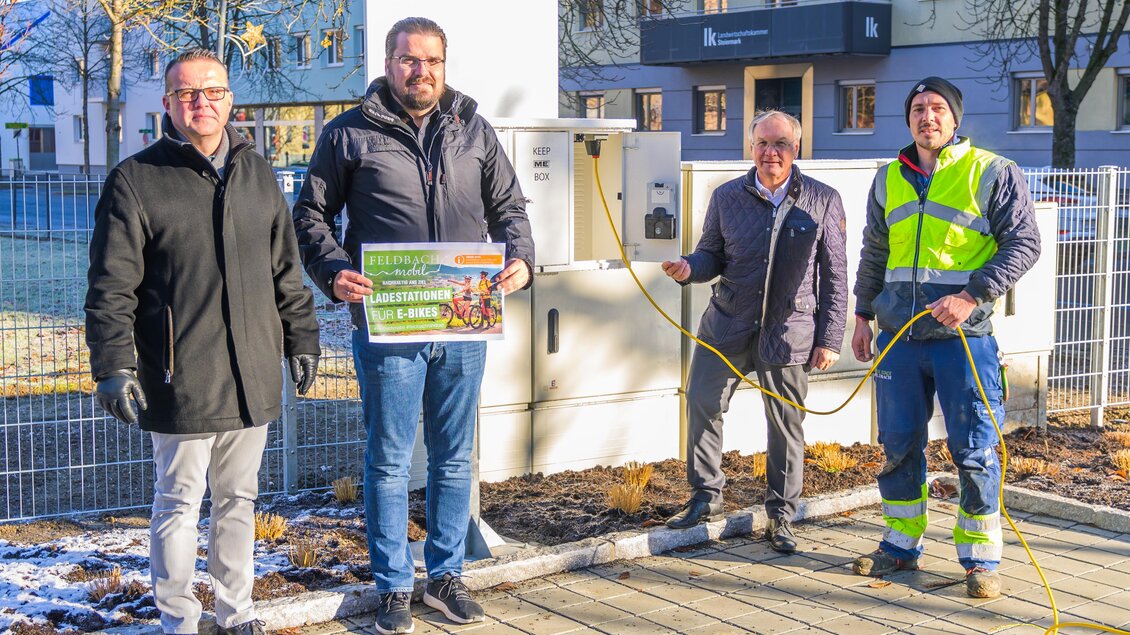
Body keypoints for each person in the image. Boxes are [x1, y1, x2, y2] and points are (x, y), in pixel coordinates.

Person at [292, 17, 534, 635]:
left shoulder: (472, 130)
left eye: (431, 60)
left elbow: (509, 208)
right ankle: (394, 585)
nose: (420, 70)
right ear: (389, 62)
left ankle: (446, 576)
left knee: (454, 458)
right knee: (390, 460)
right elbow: (312, 214)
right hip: (388, 320)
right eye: (408, 60)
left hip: (462, 319)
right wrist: (334, 271)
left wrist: (522, 264)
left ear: (444, 65)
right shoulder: (348, 134)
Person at [84, 48, 321, 635]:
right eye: (187, 93)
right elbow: (112, 287)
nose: (201, 103)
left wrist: (302, 336)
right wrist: (113, 365)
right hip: (179, 373)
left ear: (230, 99)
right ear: (168, 103)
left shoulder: (257, 171)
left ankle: (236, 614)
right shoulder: (136, 180)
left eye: (212, 91)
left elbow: (284, 270)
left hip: (251, 370)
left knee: (239, 502)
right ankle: (180, 622)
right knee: (179, 504)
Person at [850, 77, 1041, 599]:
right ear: (907, 119)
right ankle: (899, 543)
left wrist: (972, 294)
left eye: (937, 109)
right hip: (898, 337)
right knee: (897, 444)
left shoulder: (993, 171)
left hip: (963, 338)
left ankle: (980, 561)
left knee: (975, 448)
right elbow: (874, 250)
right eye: (917, 108)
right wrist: (863, 314)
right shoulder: (888, 178)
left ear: (955, 120)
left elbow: (1025, 243)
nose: (927, 116)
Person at [661, 110, 848, 555]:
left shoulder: (822, 199)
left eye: (780, 143)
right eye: (763, 143)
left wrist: (830, 338)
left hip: (790, 332)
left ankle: (781, 514)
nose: (771, 152)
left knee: (786, 424)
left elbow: (836, 275)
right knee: (703, 402)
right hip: (726, 324)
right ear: (750, 148)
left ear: (795, 149)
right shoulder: (727, 196)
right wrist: (690, 268)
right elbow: (711, 254)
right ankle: (706, 498)